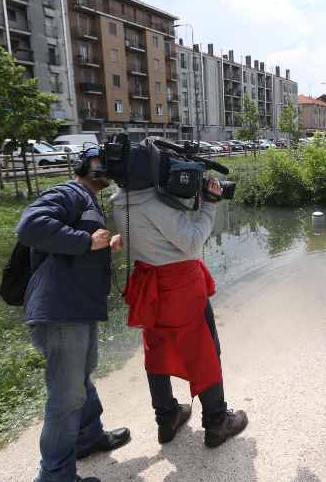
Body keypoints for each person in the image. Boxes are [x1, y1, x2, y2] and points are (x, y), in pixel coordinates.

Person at [16, 147, 130, 482]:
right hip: (60, 311)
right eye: (100, 161)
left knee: (81, 379)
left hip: (77, 308)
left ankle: (88, 438)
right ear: (84, 165)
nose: (106, 167)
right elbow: (30, 226)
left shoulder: (89, 199)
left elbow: (79, 248)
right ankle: (55, 476)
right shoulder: (68, 192)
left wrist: (104, 245)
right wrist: (86, 242)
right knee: (66, 398)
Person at [112, 177, 248, 449]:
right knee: (204, 350)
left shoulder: (121, 199)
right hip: (180, 285)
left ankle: (167, 417)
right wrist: (209, 205)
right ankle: (216, 421)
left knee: (157, 350)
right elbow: (193, 242)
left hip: (149, 284)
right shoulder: (153, 204)